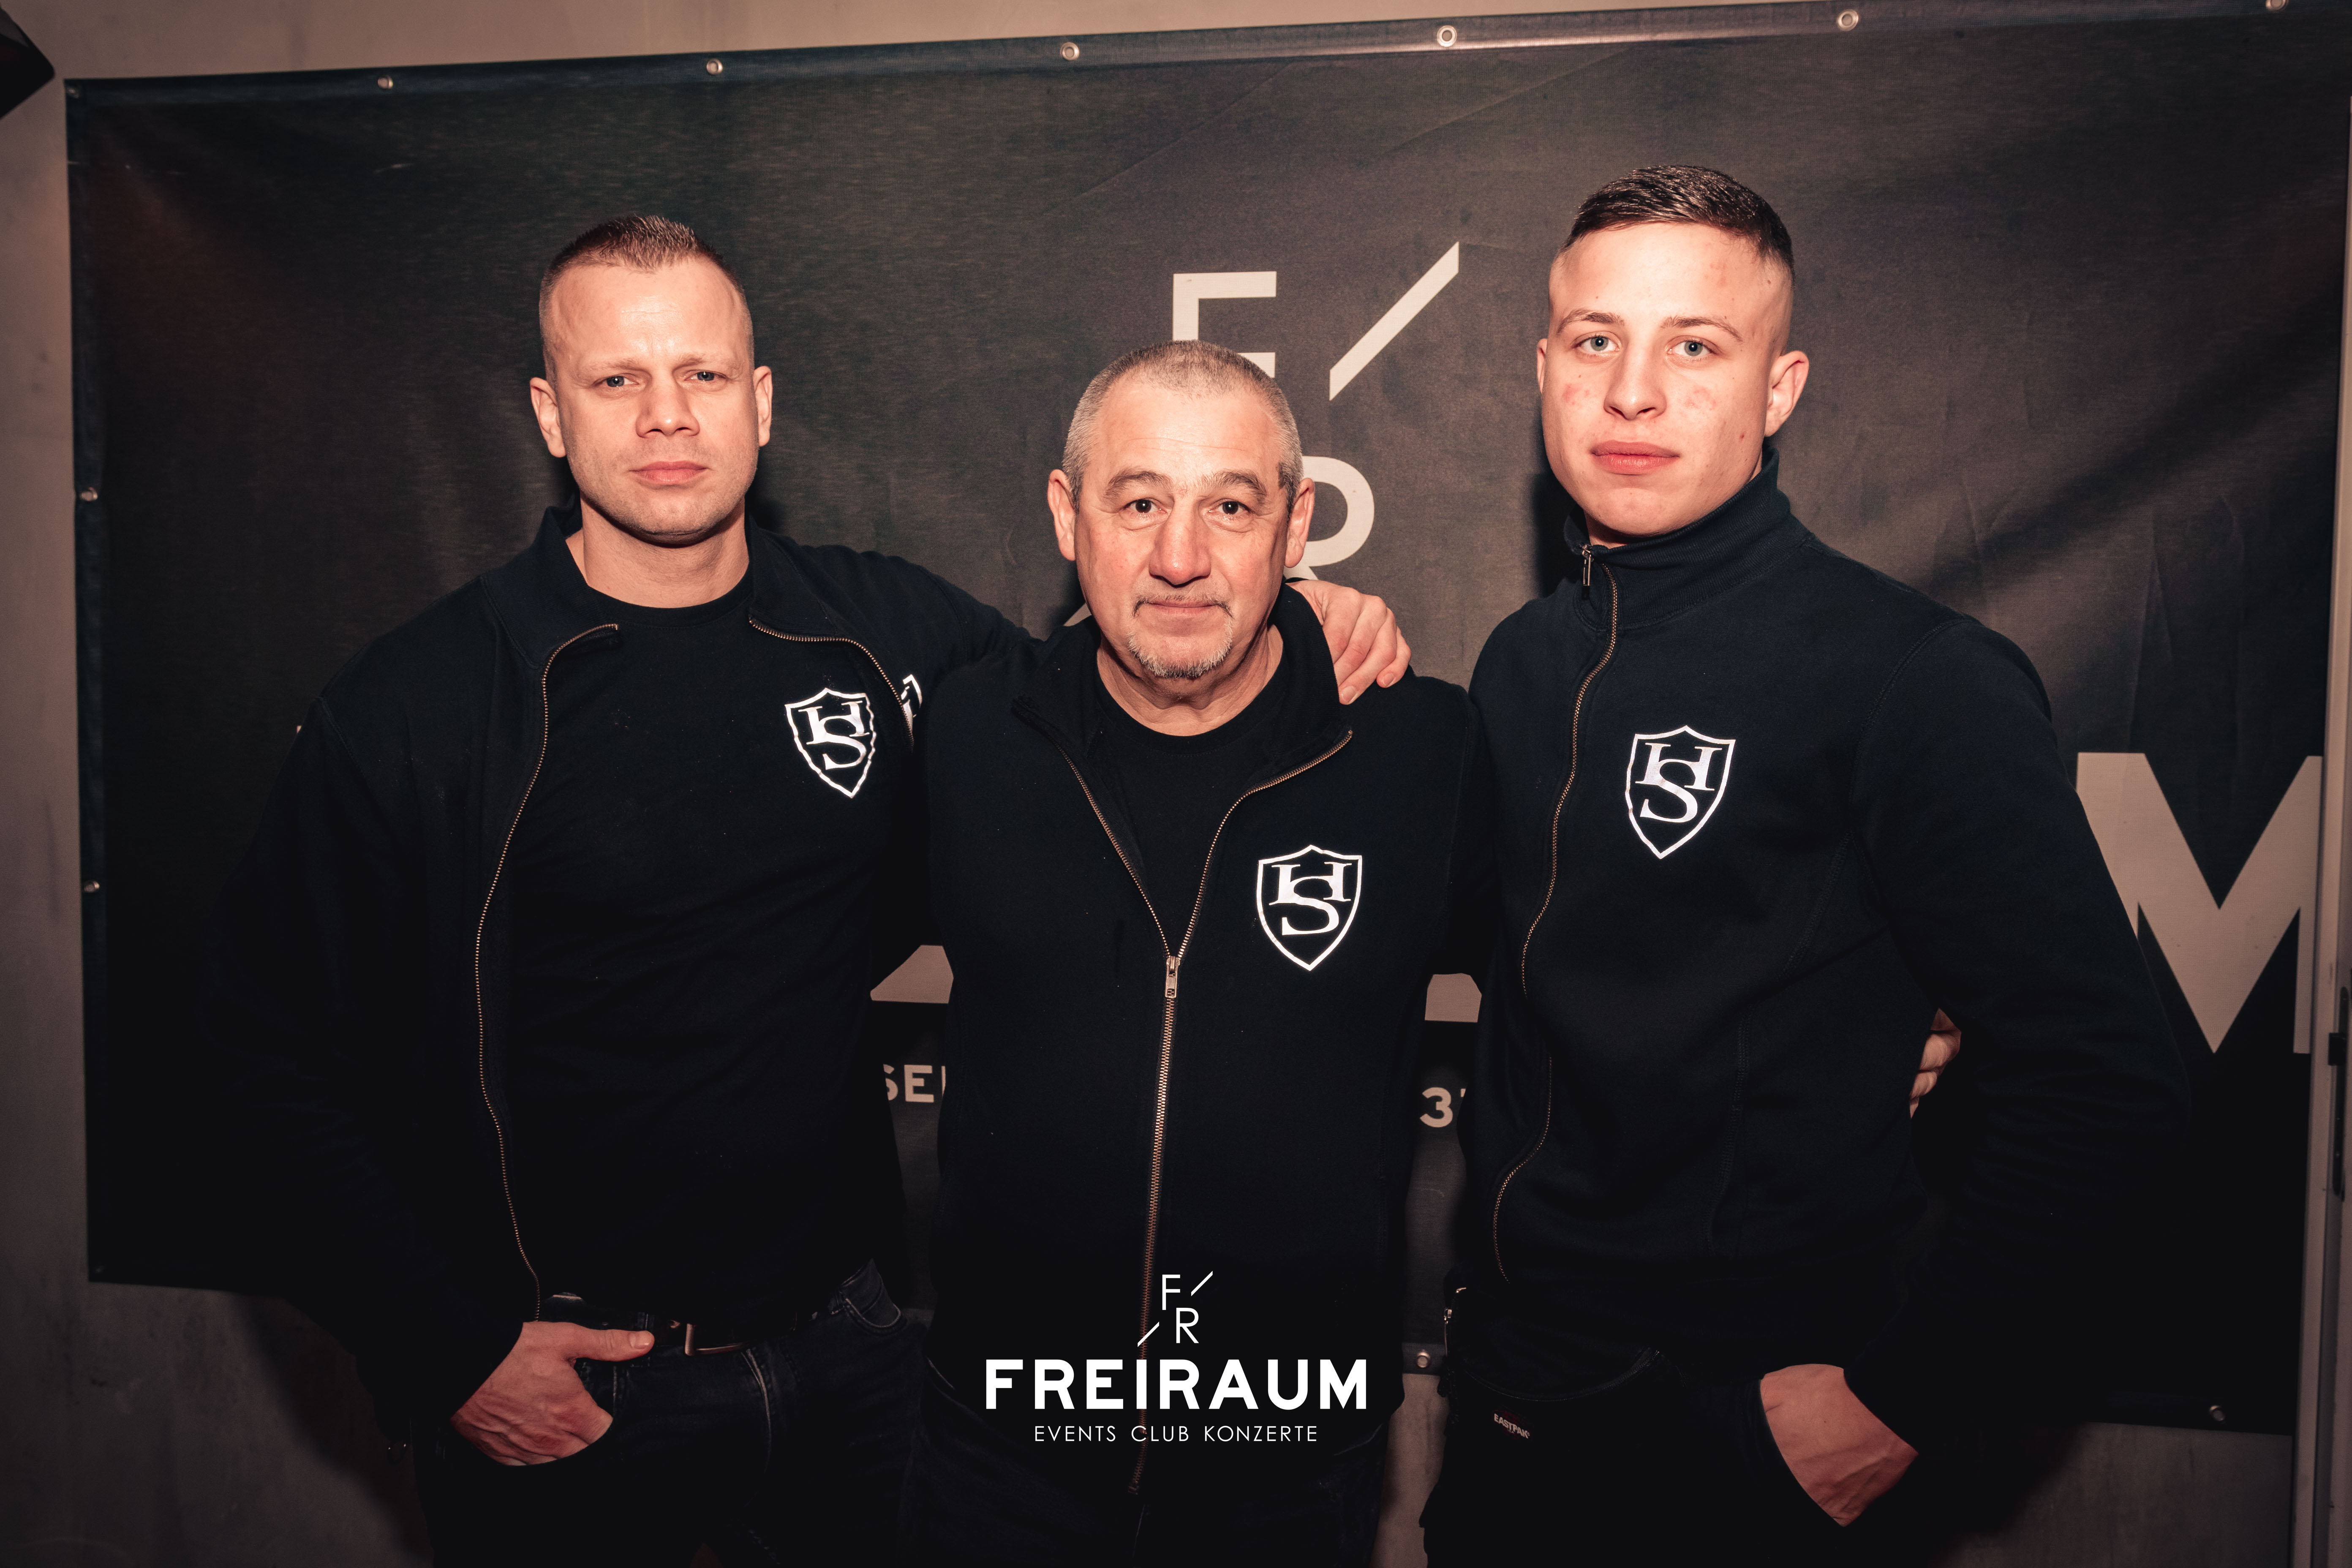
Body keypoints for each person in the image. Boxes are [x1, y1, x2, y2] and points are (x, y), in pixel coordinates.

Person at [200, 216, 1407, 1568]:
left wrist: (1307, 613)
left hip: (856, 1375)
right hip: (578, 1394)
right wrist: (446, 1348)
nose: (668, 415)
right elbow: (251, 1056)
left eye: (705, 375)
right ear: (549, 414)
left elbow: (1138, 662)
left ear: (761, 402)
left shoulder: (888, 634)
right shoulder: (424, 703)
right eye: (617, 379)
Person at [1421, 166, 2191, 1564]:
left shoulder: (1913, 677)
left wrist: (1899, 1406)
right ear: (1543, 369)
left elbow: (2105, 1080)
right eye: (1596, 340)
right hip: (1513, 1403)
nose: (1632, 393)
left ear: (1779, 390)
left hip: (1736, 1428)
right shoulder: (1523, 661)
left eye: (1695, 346)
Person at [895, 340, 1493, 1567]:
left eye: (1230, 506)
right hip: (1005, 1445)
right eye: (1139, 504)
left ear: (1296, 526)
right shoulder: (968, 734)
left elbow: (1605, 991)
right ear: (1067, 515)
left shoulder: (1424, 753)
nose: (1180, 557)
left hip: (1286, 1460)